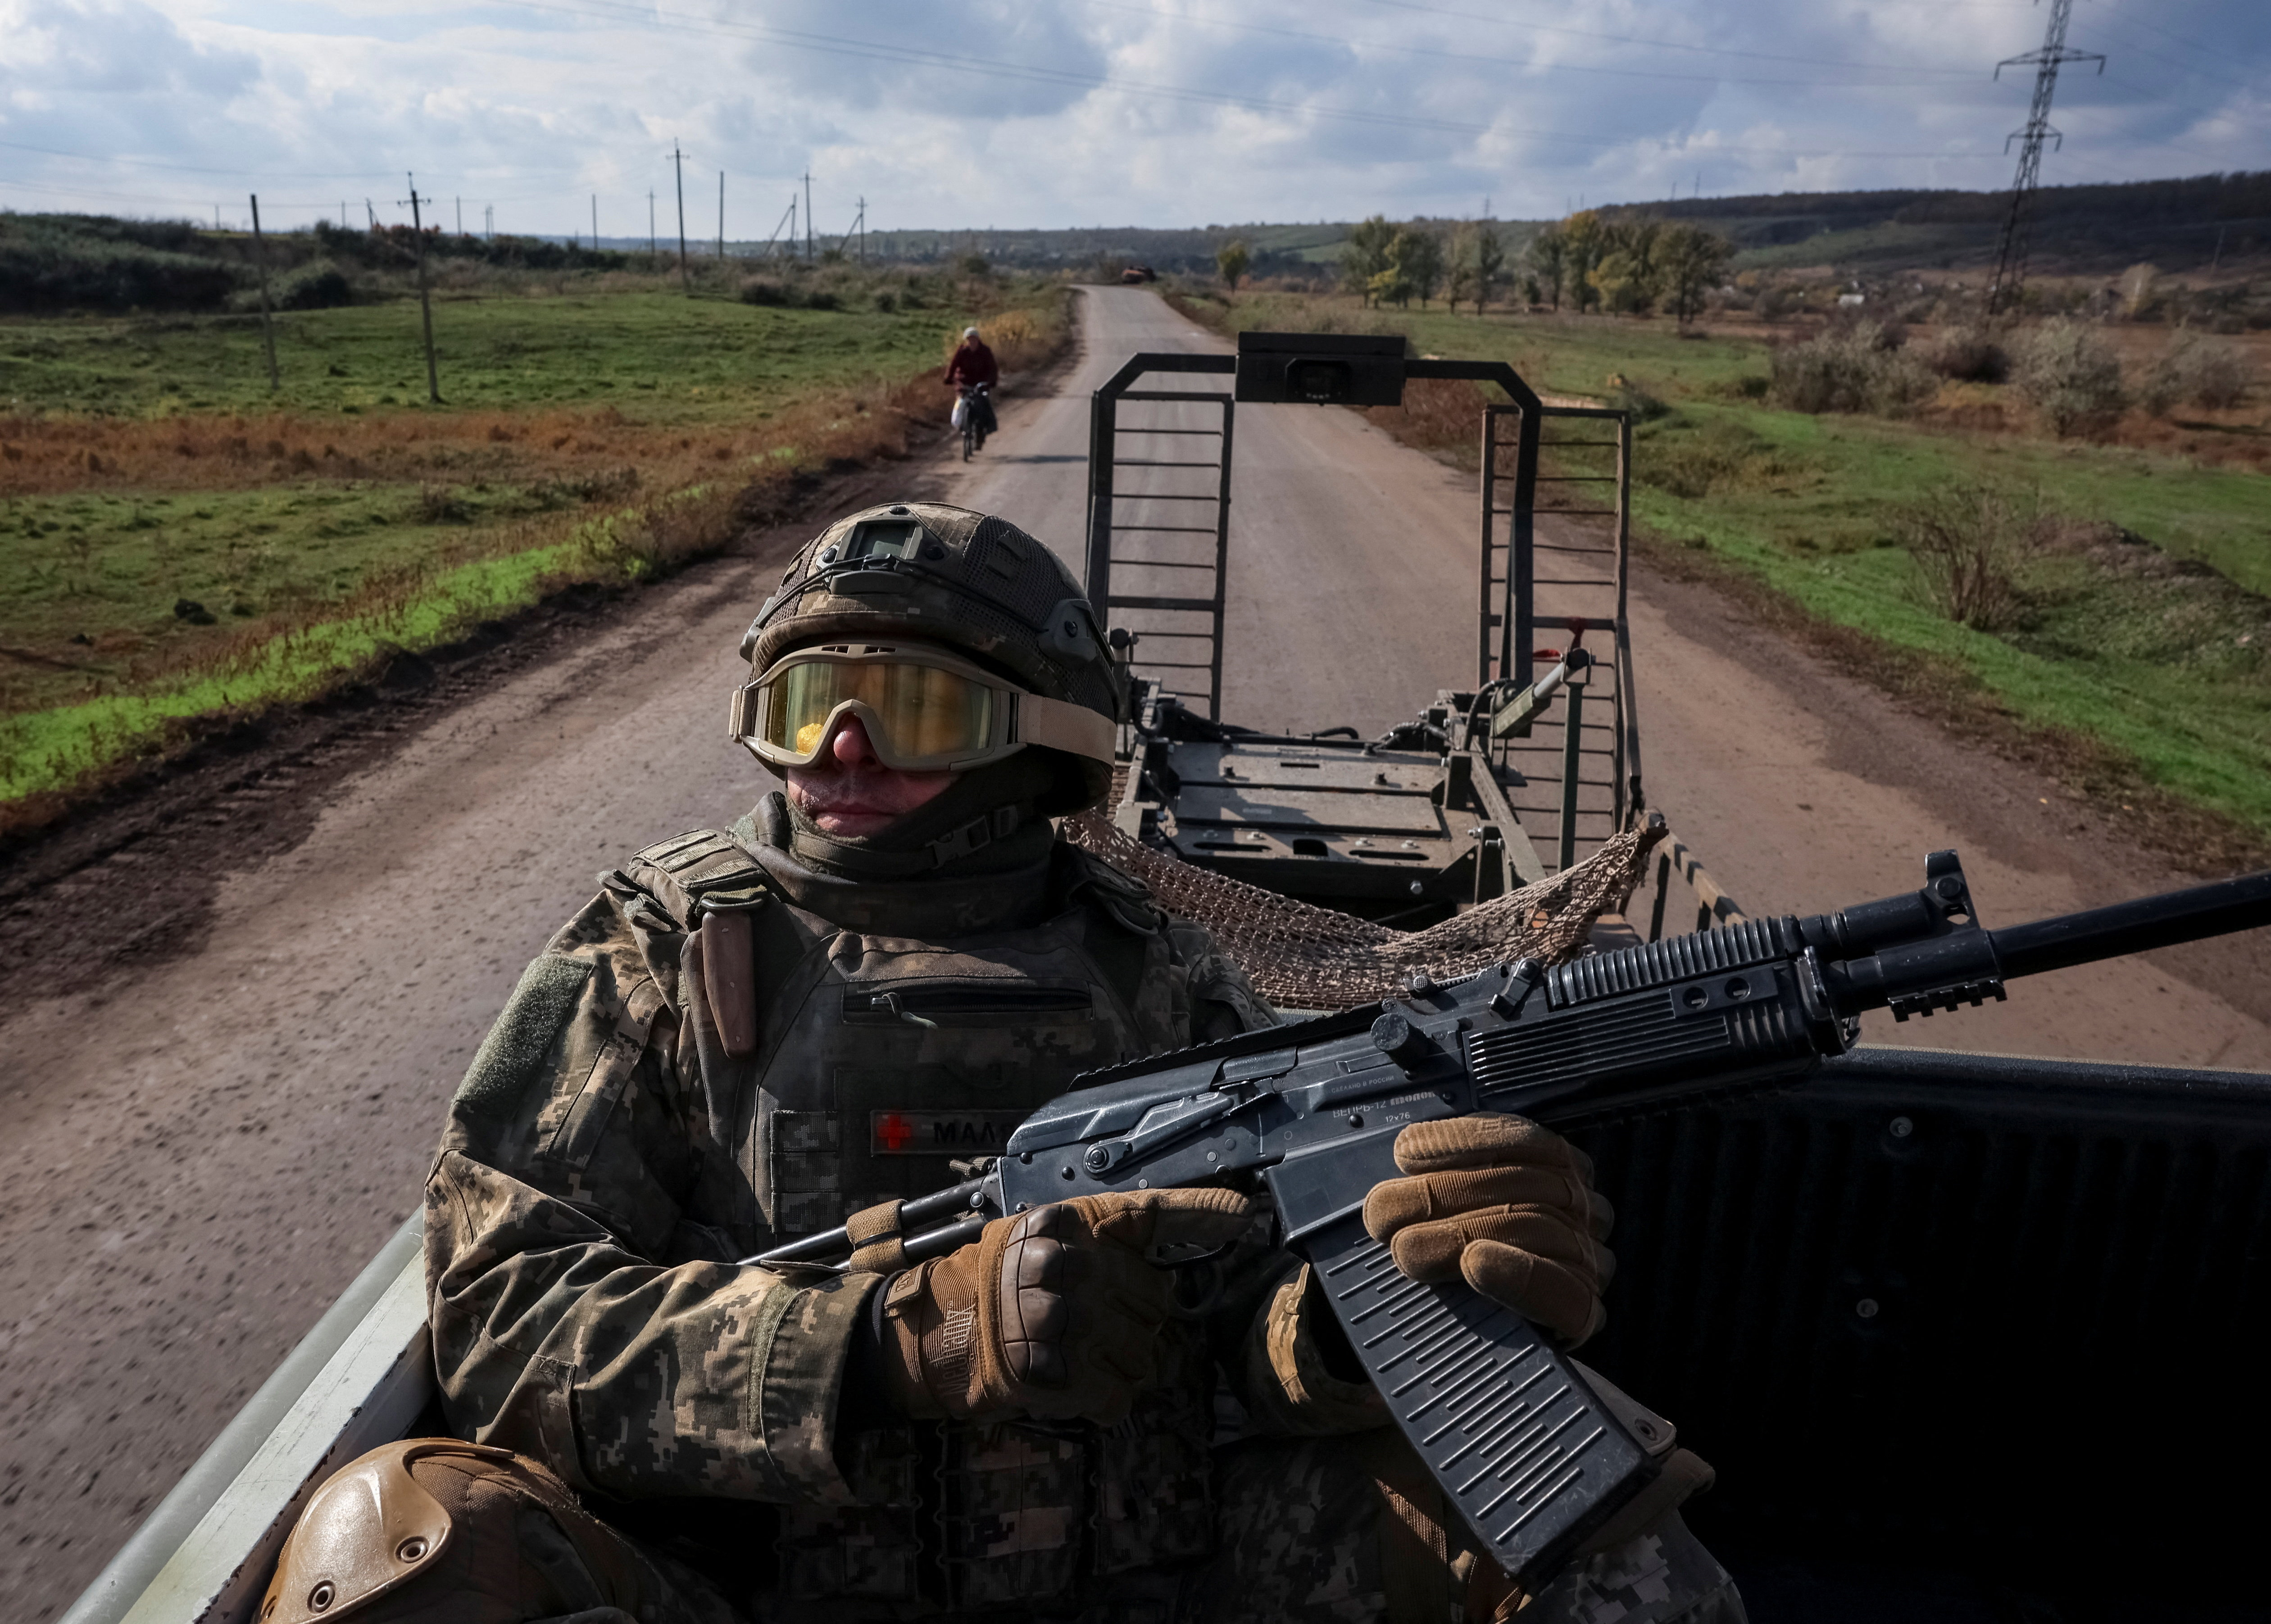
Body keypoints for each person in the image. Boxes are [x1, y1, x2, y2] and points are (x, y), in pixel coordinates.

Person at [261, 502, 1742, 1624]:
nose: (836, 751)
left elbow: (1251, 1311)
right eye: (799, 706)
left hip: (1163, 1564)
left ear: (1037, 739)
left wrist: (1354, 1330)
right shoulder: (654, 948)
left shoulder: (1156, 962)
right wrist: (896, 1341)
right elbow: (509, 1318)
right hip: (753, 1580)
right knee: (398, 1537)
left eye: (905, 709)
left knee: (1593, 1517)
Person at [945, 326, 999, 446]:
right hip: (964, 383)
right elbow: (953, 366)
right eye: (969, 339)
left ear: (978, 340)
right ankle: (962, 425)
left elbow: (993, 368)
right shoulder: (962, 352)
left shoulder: (985, 351)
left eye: (974, 339)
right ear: (966, 340)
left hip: (981, 384)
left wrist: (992, 381)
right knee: (961, 405)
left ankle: (981, 432)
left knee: (982, 406)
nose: (972, 342)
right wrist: (949, 378)